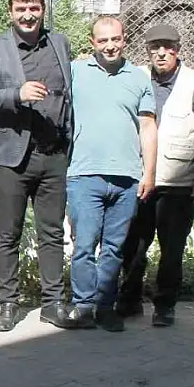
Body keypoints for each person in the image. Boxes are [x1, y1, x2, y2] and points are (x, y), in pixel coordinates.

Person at [0, 0, 76, 332]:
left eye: (34, 8)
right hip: (12, 157)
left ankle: (52, 303)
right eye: (21, 9)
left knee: (52, 232)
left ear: (43, 9)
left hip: (53, 155)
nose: (28, 15)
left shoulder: (59, 43)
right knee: (8, 234)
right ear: (10, 11)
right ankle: (9, 304)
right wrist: (16, 93)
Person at [66, 17, 157, 332]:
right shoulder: (75, 73)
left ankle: (105, 306)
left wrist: (149, 172)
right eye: (102, 40)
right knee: (84, 246)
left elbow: (147, 127)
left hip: (127, 177)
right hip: (83, 174)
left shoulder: (139, 78)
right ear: (92, 42)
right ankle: (83, 306)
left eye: (115, 39)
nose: (109, 46)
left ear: (124, 39)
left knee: (115, 249)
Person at [118, 24, 194, 327]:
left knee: (172, 250)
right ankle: (130, 300)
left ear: (177, 49)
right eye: (154, 47)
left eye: (167, 46)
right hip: (140, 180)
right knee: (132, 246)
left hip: (180, 182)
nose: (161, 52)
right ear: (147, 50)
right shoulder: (135, 78)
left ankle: (165, 306)